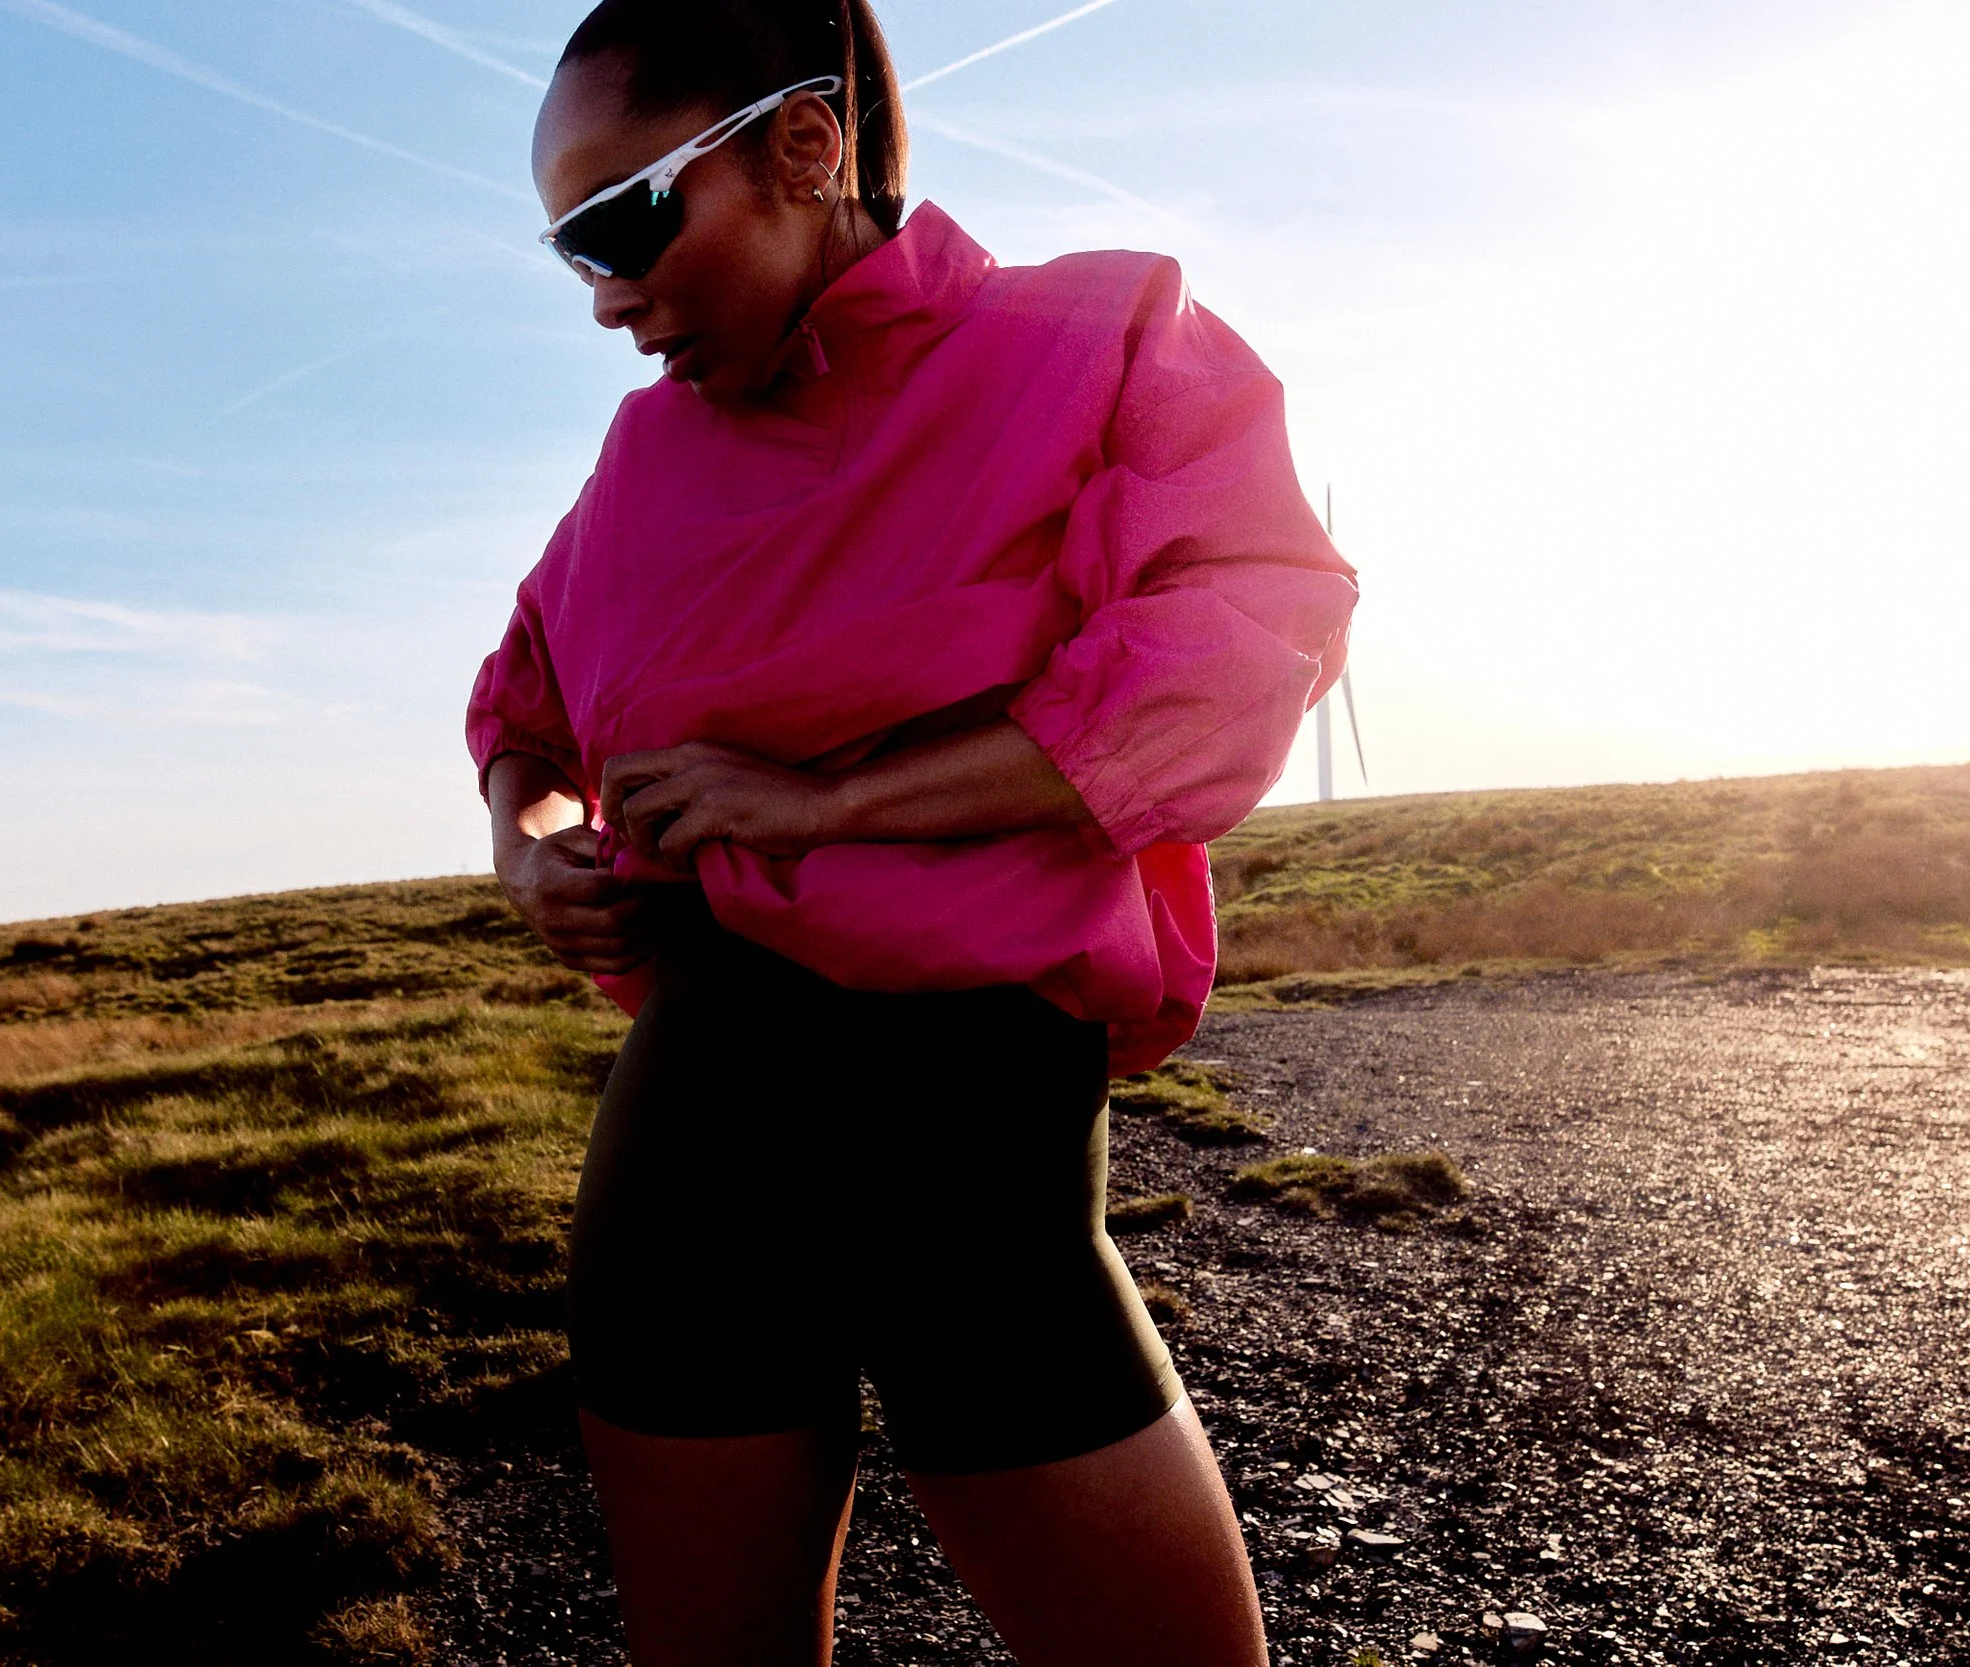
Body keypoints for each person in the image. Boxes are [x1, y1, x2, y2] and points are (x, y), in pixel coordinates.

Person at [467, 3, 1357, 1662]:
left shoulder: (1100, 336)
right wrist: (537, 854)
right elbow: (521, 705)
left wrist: (827, 802)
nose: (605, 292)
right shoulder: (643, 454)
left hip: (972, 1162)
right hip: (692, 1154)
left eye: (624, 220)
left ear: (807, 148)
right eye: (568, 249)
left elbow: (1241, 644)